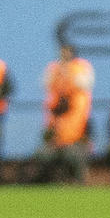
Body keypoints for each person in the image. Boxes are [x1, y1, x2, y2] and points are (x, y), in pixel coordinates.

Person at [32, 44, 94, 185]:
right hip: (55, 139)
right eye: (62, 54)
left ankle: (77, 184)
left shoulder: (81, 70)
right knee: (43, 155)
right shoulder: (54, 71)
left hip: (75, 139)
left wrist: (67, 74)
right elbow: (45, 83)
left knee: (74, 155)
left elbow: (86, 83)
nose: (64, 57)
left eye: (67, 53)